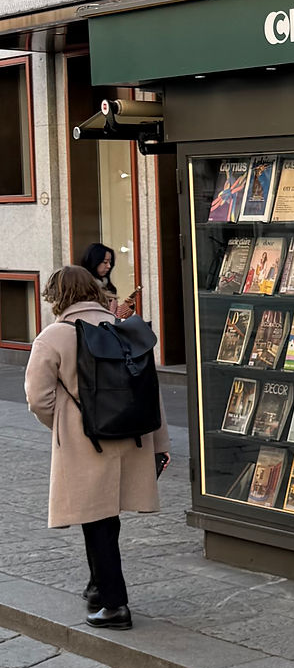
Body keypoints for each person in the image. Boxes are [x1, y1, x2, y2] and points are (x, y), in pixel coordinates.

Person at [24, 266, 169, 630]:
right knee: (106, 518)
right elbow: (151, 391)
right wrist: (160, 445)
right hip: (132, 436)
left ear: (57, 296)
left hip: (87, 442)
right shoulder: (124, 328)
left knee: (96, 521)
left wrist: (66, 424)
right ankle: (97, 586)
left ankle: (115, 604)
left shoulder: (54, 336)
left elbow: (38, 399)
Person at [77, 242, 135, 319]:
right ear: (94, 261)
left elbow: (115, 315)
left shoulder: (107, 286)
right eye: (105, 262)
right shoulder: (83, 288)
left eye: (110, 262)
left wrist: (128, 306)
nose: (108, 266)